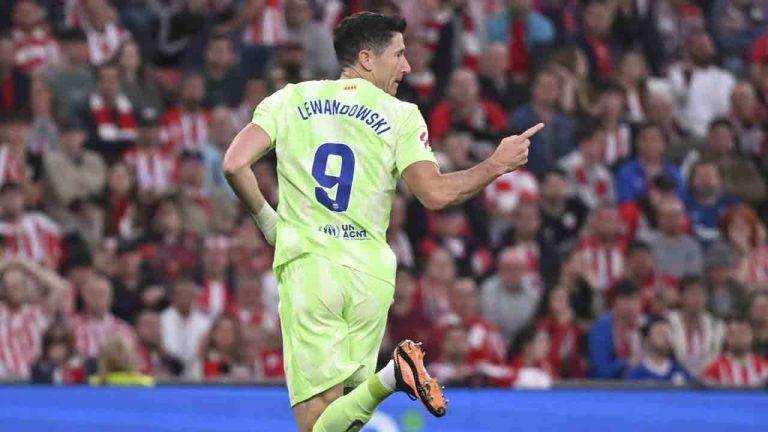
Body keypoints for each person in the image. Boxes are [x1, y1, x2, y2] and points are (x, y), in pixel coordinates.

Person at [223, 12, 540, 431]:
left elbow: (234, 164)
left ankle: (392, 375)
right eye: (400, 54)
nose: (407, 66)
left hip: (312, 268)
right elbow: (437, 194)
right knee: (344, 421)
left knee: (314, 424)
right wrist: (495, 164)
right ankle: (390, 377)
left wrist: (269, 223)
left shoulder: (289, 100)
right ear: (367, 59)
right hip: (371, 275)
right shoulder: (402, 115)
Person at [480, 248, 542, 343]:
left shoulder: (535, 290)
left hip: (525, 343)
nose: (512, 273)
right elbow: (490, 325)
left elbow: (534, 322)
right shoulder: (488, 289)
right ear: (499, 269)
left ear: (525, 270)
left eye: (517, 268)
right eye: (507, 268)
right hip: (496, 341)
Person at [668, 276, 725, 376]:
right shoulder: (668, 323)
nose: (697, 298)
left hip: (709, 382)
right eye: (692, 294)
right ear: (681, 297)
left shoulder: (717, 326)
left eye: (701, 294)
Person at [588, 279, 644, 379]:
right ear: (615, 302)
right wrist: (626, 363)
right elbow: (600, 372)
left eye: (635, 300)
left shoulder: (646, 325)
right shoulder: (602, 328)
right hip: (611, 389)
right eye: (627, 300)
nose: (632, 306)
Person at [702, 317, 768, 387]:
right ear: (726, 337)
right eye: (733, 334)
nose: (738, 337)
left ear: (752, 336)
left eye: (742, 333)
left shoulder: (764, 367)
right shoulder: (714, 369)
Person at [626, 318, 692, 384]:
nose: (667, 337)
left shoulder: (680, 371)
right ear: (646, 340)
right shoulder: (636, 373)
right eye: (660, 333)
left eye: (668, 333)